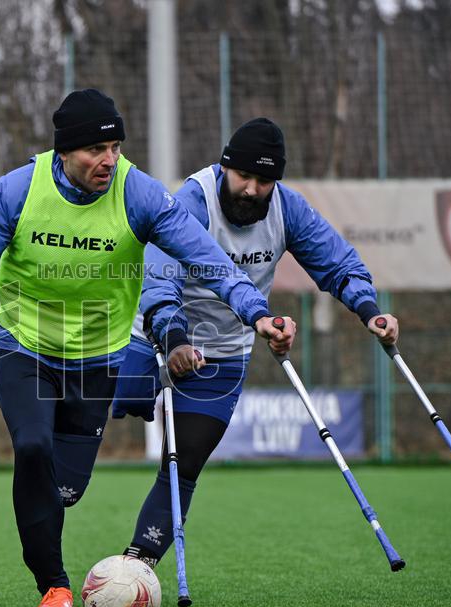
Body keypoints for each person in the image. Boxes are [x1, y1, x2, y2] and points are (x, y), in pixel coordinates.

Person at [0, 91, 297, 607]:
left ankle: (55, 522)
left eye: (116, 147)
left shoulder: (138, 193)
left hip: (98, 356)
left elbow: (207, 257)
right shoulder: (18, 190)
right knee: (32, 447)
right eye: (97, 149)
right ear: (65, 151)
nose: (109, 160)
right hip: (26, 348)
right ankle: (53, 585)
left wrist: (254, 311)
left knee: (64, 489)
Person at [111, 117, 400, 569]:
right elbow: (159, 276)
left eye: (264, 180)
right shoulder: (193, 199)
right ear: (225, 167)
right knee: (84, 432)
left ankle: (137, 564)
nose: (251, 188)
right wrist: (174, 338)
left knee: (184, 460)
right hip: (152, 332)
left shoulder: (289, 209)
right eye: (244, 175)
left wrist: (370, 310)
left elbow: (338, 263)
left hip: (224, 348)